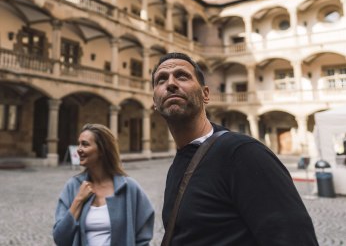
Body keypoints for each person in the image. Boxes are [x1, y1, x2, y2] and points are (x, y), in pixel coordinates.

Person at [152, 52, 319, 246]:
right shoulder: (179, 163)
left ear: (206, 94)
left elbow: (294, 237)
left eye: (182, 76)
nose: (170, 83)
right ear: (155, 103)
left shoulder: (243, 153)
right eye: (161, 80)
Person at [53, 123, 154, 246]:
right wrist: (78, 200)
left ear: (102, 150)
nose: (79, 149)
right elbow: (60, 238)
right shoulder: (72, 187)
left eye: (85, 144)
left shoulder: (129, 188)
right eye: (79, 144)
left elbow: (143, 237)